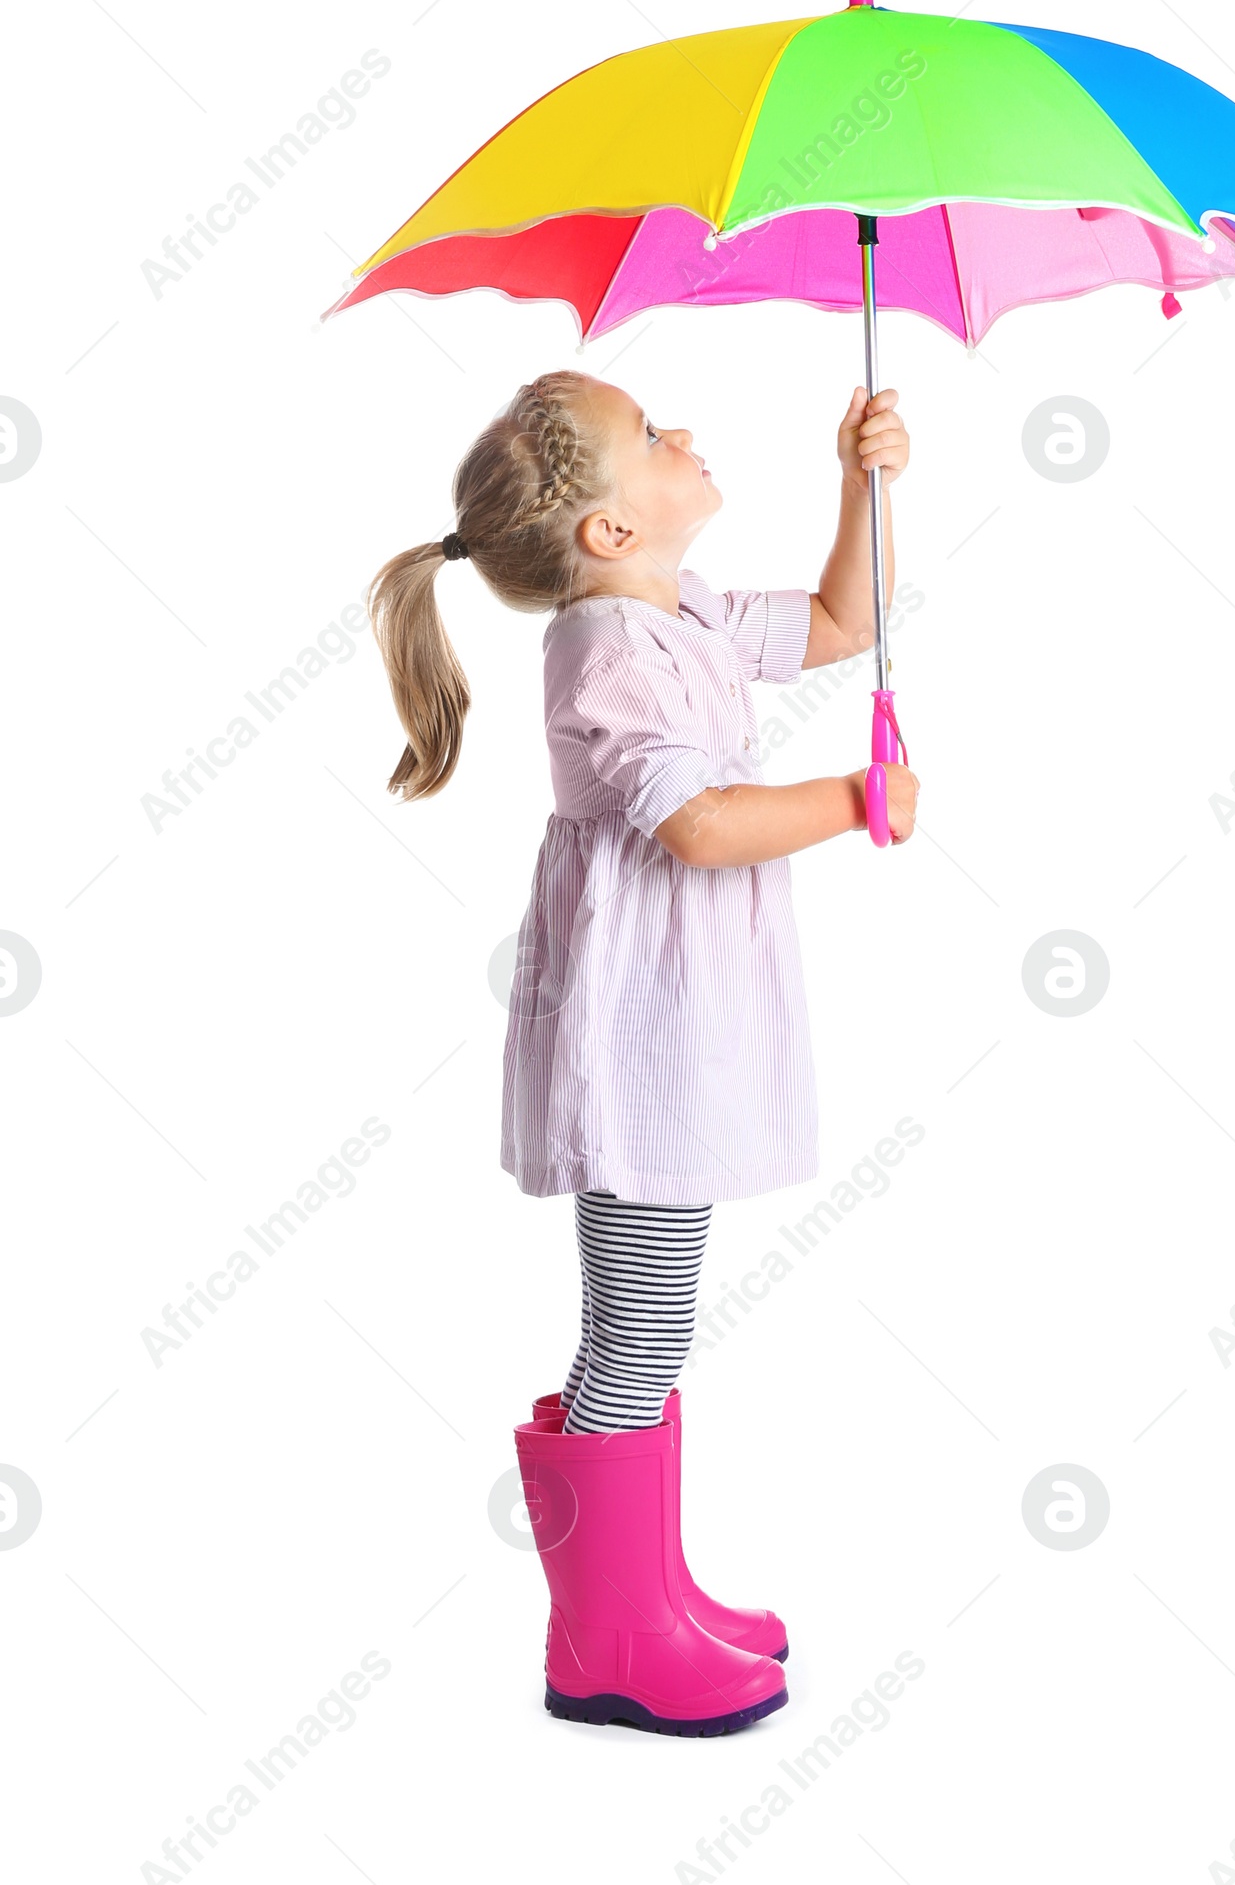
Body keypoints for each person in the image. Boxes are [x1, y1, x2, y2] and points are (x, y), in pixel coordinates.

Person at [366, 369, 918, 1736]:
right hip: (640, 1033)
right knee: (639, 1325)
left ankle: (648, 1596)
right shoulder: (606, 651)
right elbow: (704, 827)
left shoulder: (680, 608)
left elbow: (849, 619)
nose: (686, 436)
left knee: (649, 1322)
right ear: (610, 530)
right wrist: (852, 800)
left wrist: (865, 480)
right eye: (655, 438)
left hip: (684, 1015)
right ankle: (605, 1641)